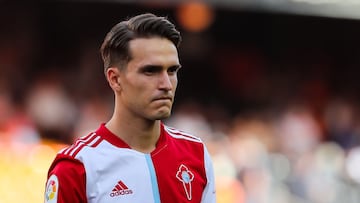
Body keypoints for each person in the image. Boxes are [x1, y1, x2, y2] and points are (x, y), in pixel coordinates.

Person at [44, 13, 216, 203]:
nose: (166, 84)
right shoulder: (76, 167)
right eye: (150, 71)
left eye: (172, 71)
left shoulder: (196, 154)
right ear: (115, 79)